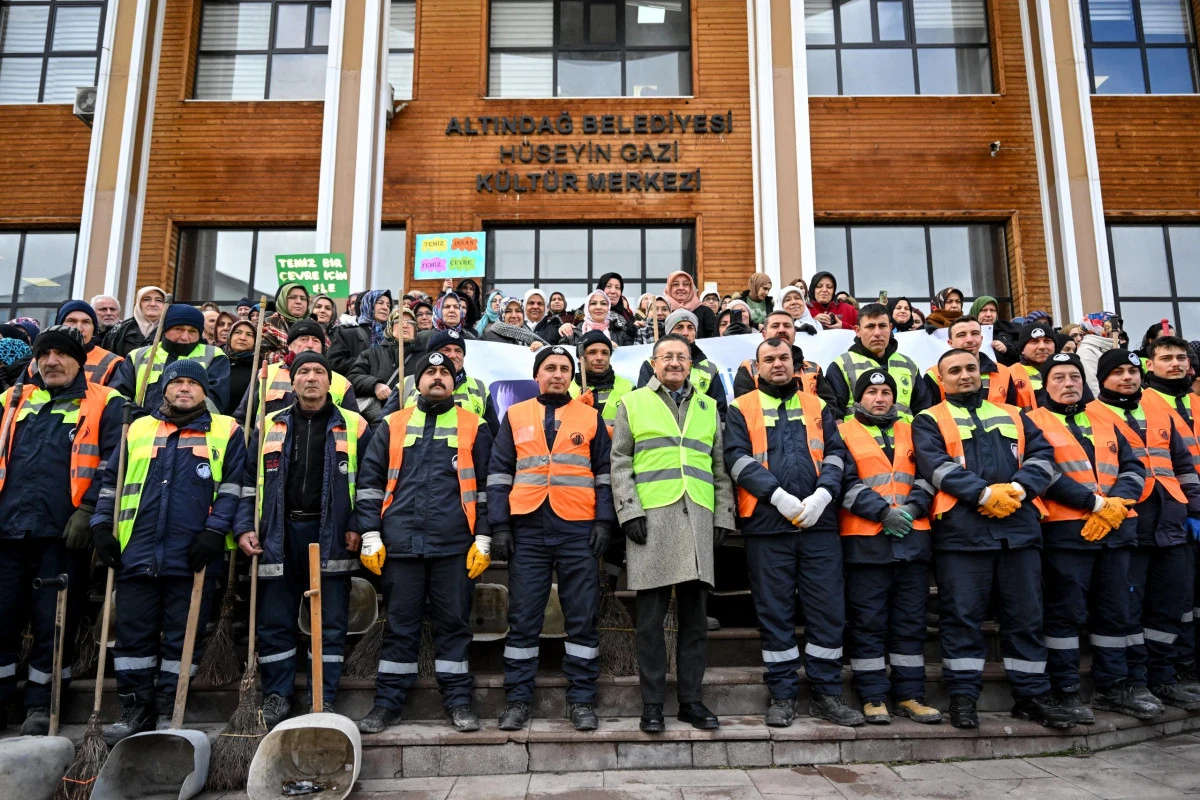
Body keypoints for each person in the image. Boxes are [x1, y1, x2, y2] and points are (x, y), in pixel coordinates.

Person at [912, 349, 1070, 729]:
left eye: (970, 368)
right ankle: (964, 698)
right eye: (955, 370)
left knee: (1026, 618)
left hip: (1018, 531)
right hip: (962, 535)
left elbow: (1044, 459)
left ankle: (1031, 697)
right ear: (940, 378)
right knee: (962, 618)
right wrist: (984, 495)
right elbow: (935, 466)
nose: (965, 375)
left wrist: (1016, 490)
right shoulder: (929, 419)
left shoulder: (1015, 414)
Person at [93, 360, 246, 743]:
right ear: (163, 388)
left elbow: (232, 488)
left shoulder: (226, 429)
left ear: (205, 391)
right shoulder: (139, 427)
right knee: (133, 639)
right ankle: (134, 709)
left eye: (192, 383)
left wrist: (214, 532)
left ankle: (167, 709)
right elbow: (111, 481)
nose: (184, 389)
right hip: (136, 550)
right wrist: (100, 525)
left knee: (183, 638)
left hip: (193, 554)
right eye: (176, 382)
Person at [724, 338, 862, 727]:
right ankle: (782, 694)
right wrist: (778, 497)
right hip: (768, 525)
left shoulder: (818, 406)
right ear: (757, 367)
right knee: (775, 611)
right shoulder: (741, 407)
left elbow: (836, 455)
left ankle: (826, 694)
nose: (778, 364)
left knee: (827, 610)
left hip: (819, 524)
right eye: (769, 359)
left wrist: (822, 496)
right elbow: (735, 458)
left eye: (784, 357)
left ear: (796, 364)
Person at [354, 350, 492, 733]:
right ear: (417, 382)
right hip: (400, 544)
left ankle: (459, 702)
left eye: (443, 372)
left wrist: (483, 535)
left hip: (454, 546)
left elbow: (485, 489)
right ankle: (386, 705)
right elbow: (369, 483)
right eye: (429, 372)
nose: (436, 377)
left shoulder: (474, 426)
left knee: (454, 624)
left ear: (453, 381)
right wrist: (369, 533)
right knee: (399, 625)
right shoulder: (391, 424)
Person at [235, 351, 371, 727]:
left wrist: (359, 523)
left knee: (329, 621)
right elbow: (249, 484)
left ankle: (321, 697)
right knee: (274, 620)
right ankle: (277, 695)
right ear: (292, 381)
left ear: (331, 382)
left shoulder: (356, 426)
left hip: (332, 535)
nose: (311, 377)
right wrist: (245, 526)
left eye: (318, 372)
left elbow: (370, 482)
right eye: (304, 372)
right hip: (277, 535)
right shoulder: (269, 425)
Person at [0, 326, 123, 734]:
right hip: (9, 528)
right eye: (44, 355)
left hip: (62, 533)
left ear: (78, 360)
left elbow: (115, 461)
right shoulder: (13, 400)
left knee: (54, 621)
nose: (51, 361)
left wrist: (89, 510)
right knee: (1, 619)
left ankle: (42, 705)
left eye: (61, 354)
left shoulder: (105, 402)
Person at [611, 334, 736, 733]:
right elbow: (619, 464)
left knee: (695, 622)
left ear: (690, 363)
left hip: (698, 520)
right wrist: (628, 511)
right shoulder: (632, 403)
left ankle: (691, 701)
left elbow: (719, 468)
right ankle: (651, 704)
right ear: (653, 362)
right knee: (649, 622)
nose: (675, 363)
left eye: (682, 357)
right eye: (667, 356)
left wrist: (723, 517)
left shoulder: (708, 405)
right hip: (651, 522)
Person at [488, 345, 614, 732]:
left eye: (564, 369)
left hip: (578, 526)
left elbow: (605, 474)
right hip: (527, 528)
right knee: (524, 617)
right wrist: (500, 525)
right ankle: (518, 700)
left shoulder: (591, 417)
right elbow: (498, 472)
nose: (557, 374)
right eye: (550, 368)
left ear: (572, 377)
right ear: (536, 374)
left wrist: (604, 522)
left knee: (581, 616)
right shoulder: (514, 414)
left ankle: (581, 699)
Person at [1026, 353, 1157, 722]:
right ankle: (1066, 690)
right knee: (1065, 615)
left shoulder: (1105, 416)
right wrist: (1093, 502)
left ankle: (1114, 687)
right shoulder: (1033, 420)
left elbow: (1134, 465)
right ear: (1045, 385)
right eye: (1059, 378)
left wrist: (1118, 501)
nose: (1069, 384)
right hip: (1065, 532)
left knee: (1117, 613)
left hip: (1115, 530)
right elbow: (1044, 473)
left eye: (1074, 377)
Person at [1091, 346, 1200, 709]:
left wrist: (1195, 509)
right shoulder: (1091, 414)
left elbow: (1183, 465)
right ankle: (1131, 682)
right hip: (1126, 522)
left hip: (1171, 521)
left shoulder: (1160, 411)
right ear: (1103, 379)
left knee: (1169, 606)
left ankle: (1163, 677)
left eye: (1132, 371)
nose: (1127, 377)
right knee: (1127, 610)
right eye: (1118, 372)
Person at [837, 368, 941, 725]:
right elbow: (843, 481)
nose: (880, 398)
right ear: (858, 398)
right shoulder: (842, 430)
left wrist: (912, 508)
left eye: (886, 392)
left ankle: (910, 695)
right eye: (872, 392)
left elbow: (929, 474)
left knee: (910, 622)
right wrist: (882, 512)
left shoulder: (913, 428)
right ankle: (873, 695)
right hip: (866, 543)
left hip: (913, 541)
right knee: (868, 623)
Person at [112, 303, 231, 414]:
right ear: (165, 330)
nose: (185, 337)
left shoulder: (214, 356)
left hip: (193, 430)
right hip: (141, 429)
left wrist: (178, 420)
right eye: (179, 329)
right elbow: (118, 395)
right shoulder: (138, 356)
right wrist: (136, 417)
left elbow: (215, 400)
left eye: (192, 331)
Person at [233, 320, 358, 423]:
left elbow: (354, 425)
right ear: (289, 346)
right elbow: (243, 418)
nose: (310, 345)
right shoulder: (266, 374)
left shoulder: (342, 383)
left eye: (316, 341)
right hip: (271, 451)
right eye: (303, 339)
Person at [825, 303, 930, 420]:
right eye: (870, 326)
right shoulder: (841, 365)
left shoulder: (909, 365)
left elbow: (923, 412)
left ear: (890, 329)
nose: (877, 333)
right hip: (859, 438)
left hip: (904, 437)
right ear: (857, 330)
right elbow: (834, 416)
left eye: (882, 326)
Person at [636, 309, 727, 420]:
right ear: (669, 332)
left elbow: (719, 412)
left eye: (690, 327)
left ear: (695, 333)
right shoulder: (651, 365)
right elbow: (642, 404)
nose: (685, 332)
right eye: (679, 327)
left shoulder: (710, 369)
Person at [732, 311, 836, 407]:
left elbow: (831, 410)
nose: (781, 330)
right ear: (764, 334)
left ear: (795, 333)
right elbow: (745, 409)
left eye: (787, 326)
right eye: (775, 326)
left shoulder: (814, 369)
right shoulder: (749, 368)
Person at [389, 330, 490, 422]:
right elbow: (385, 425)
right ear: (432, 355)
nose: (453, 355)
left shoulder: (480, 388)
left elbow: (492, 434)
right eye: (446, 350)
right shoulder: (406, 384)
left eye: (458, 351)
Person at [924, 316, 1025, 407]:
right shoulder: (934, 375)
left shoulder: (1003, 372)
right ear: (950, 342)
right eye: (961, 335)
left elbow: (1013, 412)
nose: (969, 339)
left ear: (981, 339)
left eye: (974, 333)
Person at [348, 308, 406, 423]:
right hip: (379, 423)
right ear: (389, 327)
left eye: (411, 323)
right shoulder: (372, 354)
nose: (404, 325)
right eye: (398, 322)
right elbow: (352, 378)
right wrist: (375, 385)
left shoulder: (422, 357)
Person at [569, 330, 634, 429]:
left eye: (605, 353)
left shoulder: (629, 388)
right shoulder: (567, 389)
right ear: (580, 357)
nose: (599, 358)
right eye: (592, 352)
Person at [55, 300, 123, 385]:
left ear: (94, 328)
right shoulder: (40, 360)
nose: (79, 329)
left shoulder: (112, 363)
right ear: (59, 325)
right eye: (72, 321)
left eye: (86, 322)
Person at [329, 289, 393, 376]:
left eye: (388, 305)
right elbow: (335, 363)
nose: (385, 308)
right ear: (368, 304)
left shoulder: (392, 337)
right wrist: (367, 362)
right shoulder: (347, 333)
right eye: (380, 303)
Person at [103, 285, 166, 358]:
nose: (153, 304)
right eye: (146, 299)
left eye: (159, 300)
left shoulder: (171, 329)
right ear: (139, 303)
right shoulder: (120, 329)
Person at [564, 290, 632, 347]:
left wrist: (617, 350)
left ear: (608, 308)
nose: (598, 307)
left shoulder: (622, 333)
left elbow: (628, 360)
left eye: (603, 303)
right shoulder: (570, 333)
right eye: (593, 303)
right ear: (587, 308)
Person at [1011, 323, 1057, 406]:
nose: (1042, 346)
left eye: (1047, 341)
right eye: (1034, 341)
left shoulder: (1069, 372)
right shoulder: (1009, 374)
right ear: (1022, 350)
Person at [663, 271, 718, 339]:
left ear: (691, 288)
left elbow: (713, 340)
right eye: (675, 284)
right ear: (669, 288)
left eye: (685, 284)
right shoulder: (662, 311)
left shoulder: (705, 312)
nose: (681, 288)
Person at [223, 319, 258, 416]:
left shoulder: (258, 367)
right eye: (238, 332)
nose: (242, 338)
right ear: (230, 336)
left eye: (249, 335)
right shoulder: (218, 360)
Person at [482, 298, 547, 349]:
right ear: (501, 314)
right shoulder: (487, 338)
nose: (514, 315)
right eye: (508, 311)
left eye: (518, 311)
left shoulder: (531, 336)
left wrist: (540, 349)